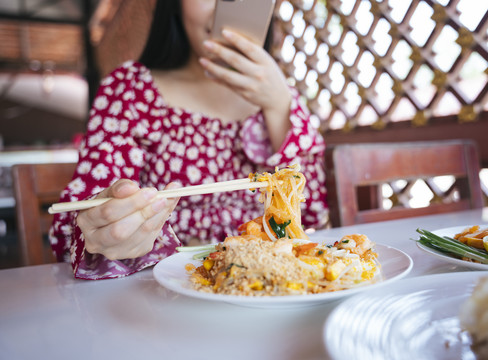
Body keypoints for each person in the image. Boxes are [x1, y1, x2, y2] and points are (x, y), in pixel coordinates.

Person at [50, 0, 328, 280]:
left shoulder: (283, 95)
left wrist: (280, 105)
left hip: (275, 281)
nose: (223, 8)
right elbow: (78, 222)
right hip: (165, 289)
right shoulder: (131, 89)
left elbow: (314, 215)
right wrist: (108, 228)